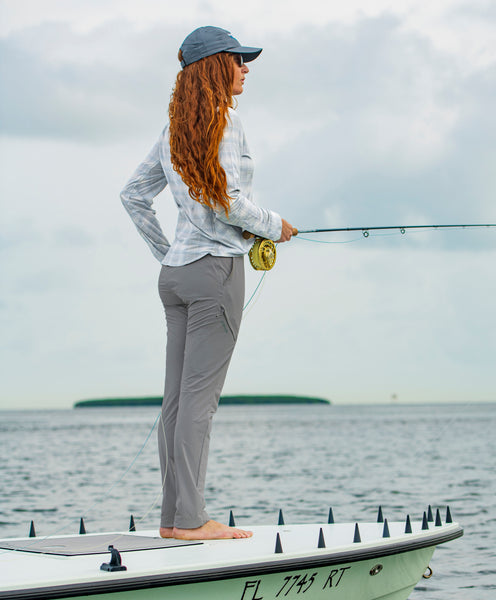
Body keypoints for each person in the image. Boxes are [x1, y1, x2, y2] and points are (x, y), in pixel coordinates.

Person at [121, 26, 294, 540]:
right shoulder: (228, 122)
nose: (246, 68)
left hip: (175, 275)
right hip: (215, 272)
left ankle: (174, 521)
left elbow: (133, 195)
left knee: (176, 401)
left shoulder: (174, 128)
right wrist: (274, 225)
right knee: (199, 402)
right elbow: (228, 201)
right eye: (238, 60)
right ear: (216, 66)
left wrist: (169, 254)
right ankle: (193, 520)